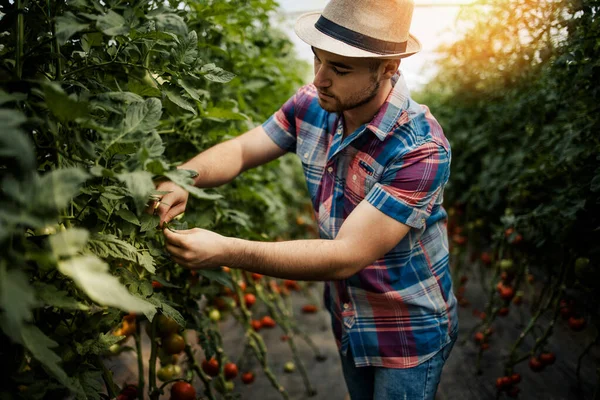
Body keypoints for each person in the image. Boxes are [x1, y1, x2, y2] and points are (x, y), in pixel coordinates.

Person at [152, 0, 458, 398]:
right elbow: (244, 150)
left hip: (407, 330)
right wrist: (181, 178)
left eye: (340, 68)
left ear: (388, 68)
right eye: (318, 60)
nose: (320, 79)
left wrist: (226, 250)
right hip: (349, 314)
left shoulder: (420, 148)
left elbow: (346, 254)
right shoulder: (312, 104)